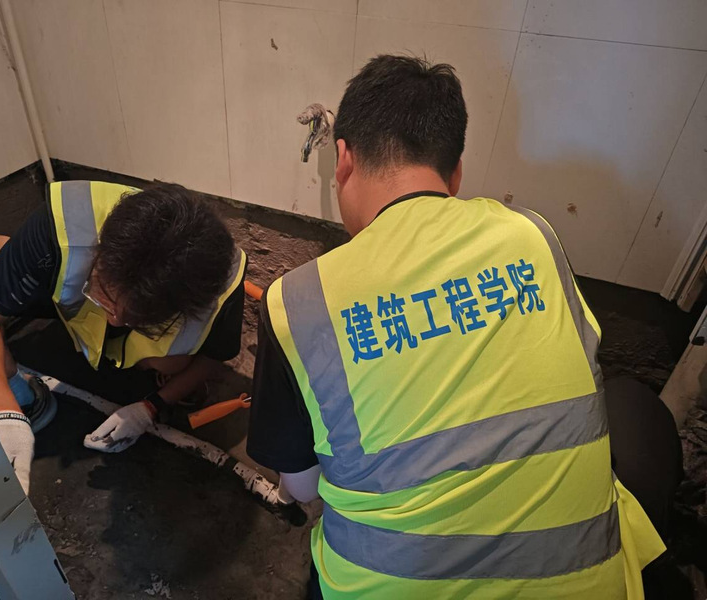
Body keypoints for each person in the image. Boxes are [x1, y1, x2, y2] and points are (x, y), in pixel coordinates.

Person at [246, 55, 673, 599]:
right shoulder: (533, 236)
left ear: (344, 159)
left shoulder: (296, 302)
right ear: (456, 174)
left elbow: (303, 488)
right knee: (634, 406)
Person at [0, 180, 246, 493]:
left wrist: (151, 407)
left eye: (135, 318)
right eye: (105, 296)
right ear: (100, 250)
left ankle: (149, 359)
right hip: (62, 288)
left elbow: (215, 356)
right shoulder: (67, 224)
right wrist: (2, 412)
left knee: (173, 362)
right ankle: (22, 394)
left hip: (124, 333)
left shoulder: (218, 283)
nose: (114, 318)